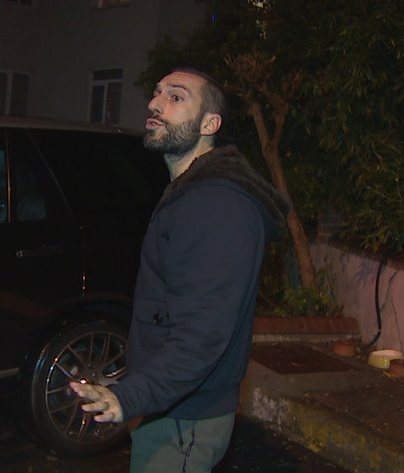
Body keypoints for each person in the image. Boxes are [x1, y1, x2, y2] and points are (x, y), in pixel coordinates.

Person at [70, 67, 290, 472]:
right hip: (168, 408)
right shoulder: (192, 193)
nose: (155, 104)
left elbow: (203, 333)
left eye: (175, 97)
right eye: (156, 94)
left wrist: (130, 396)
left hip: (185, 419)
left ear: (209, 124)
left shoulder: (217, 206)